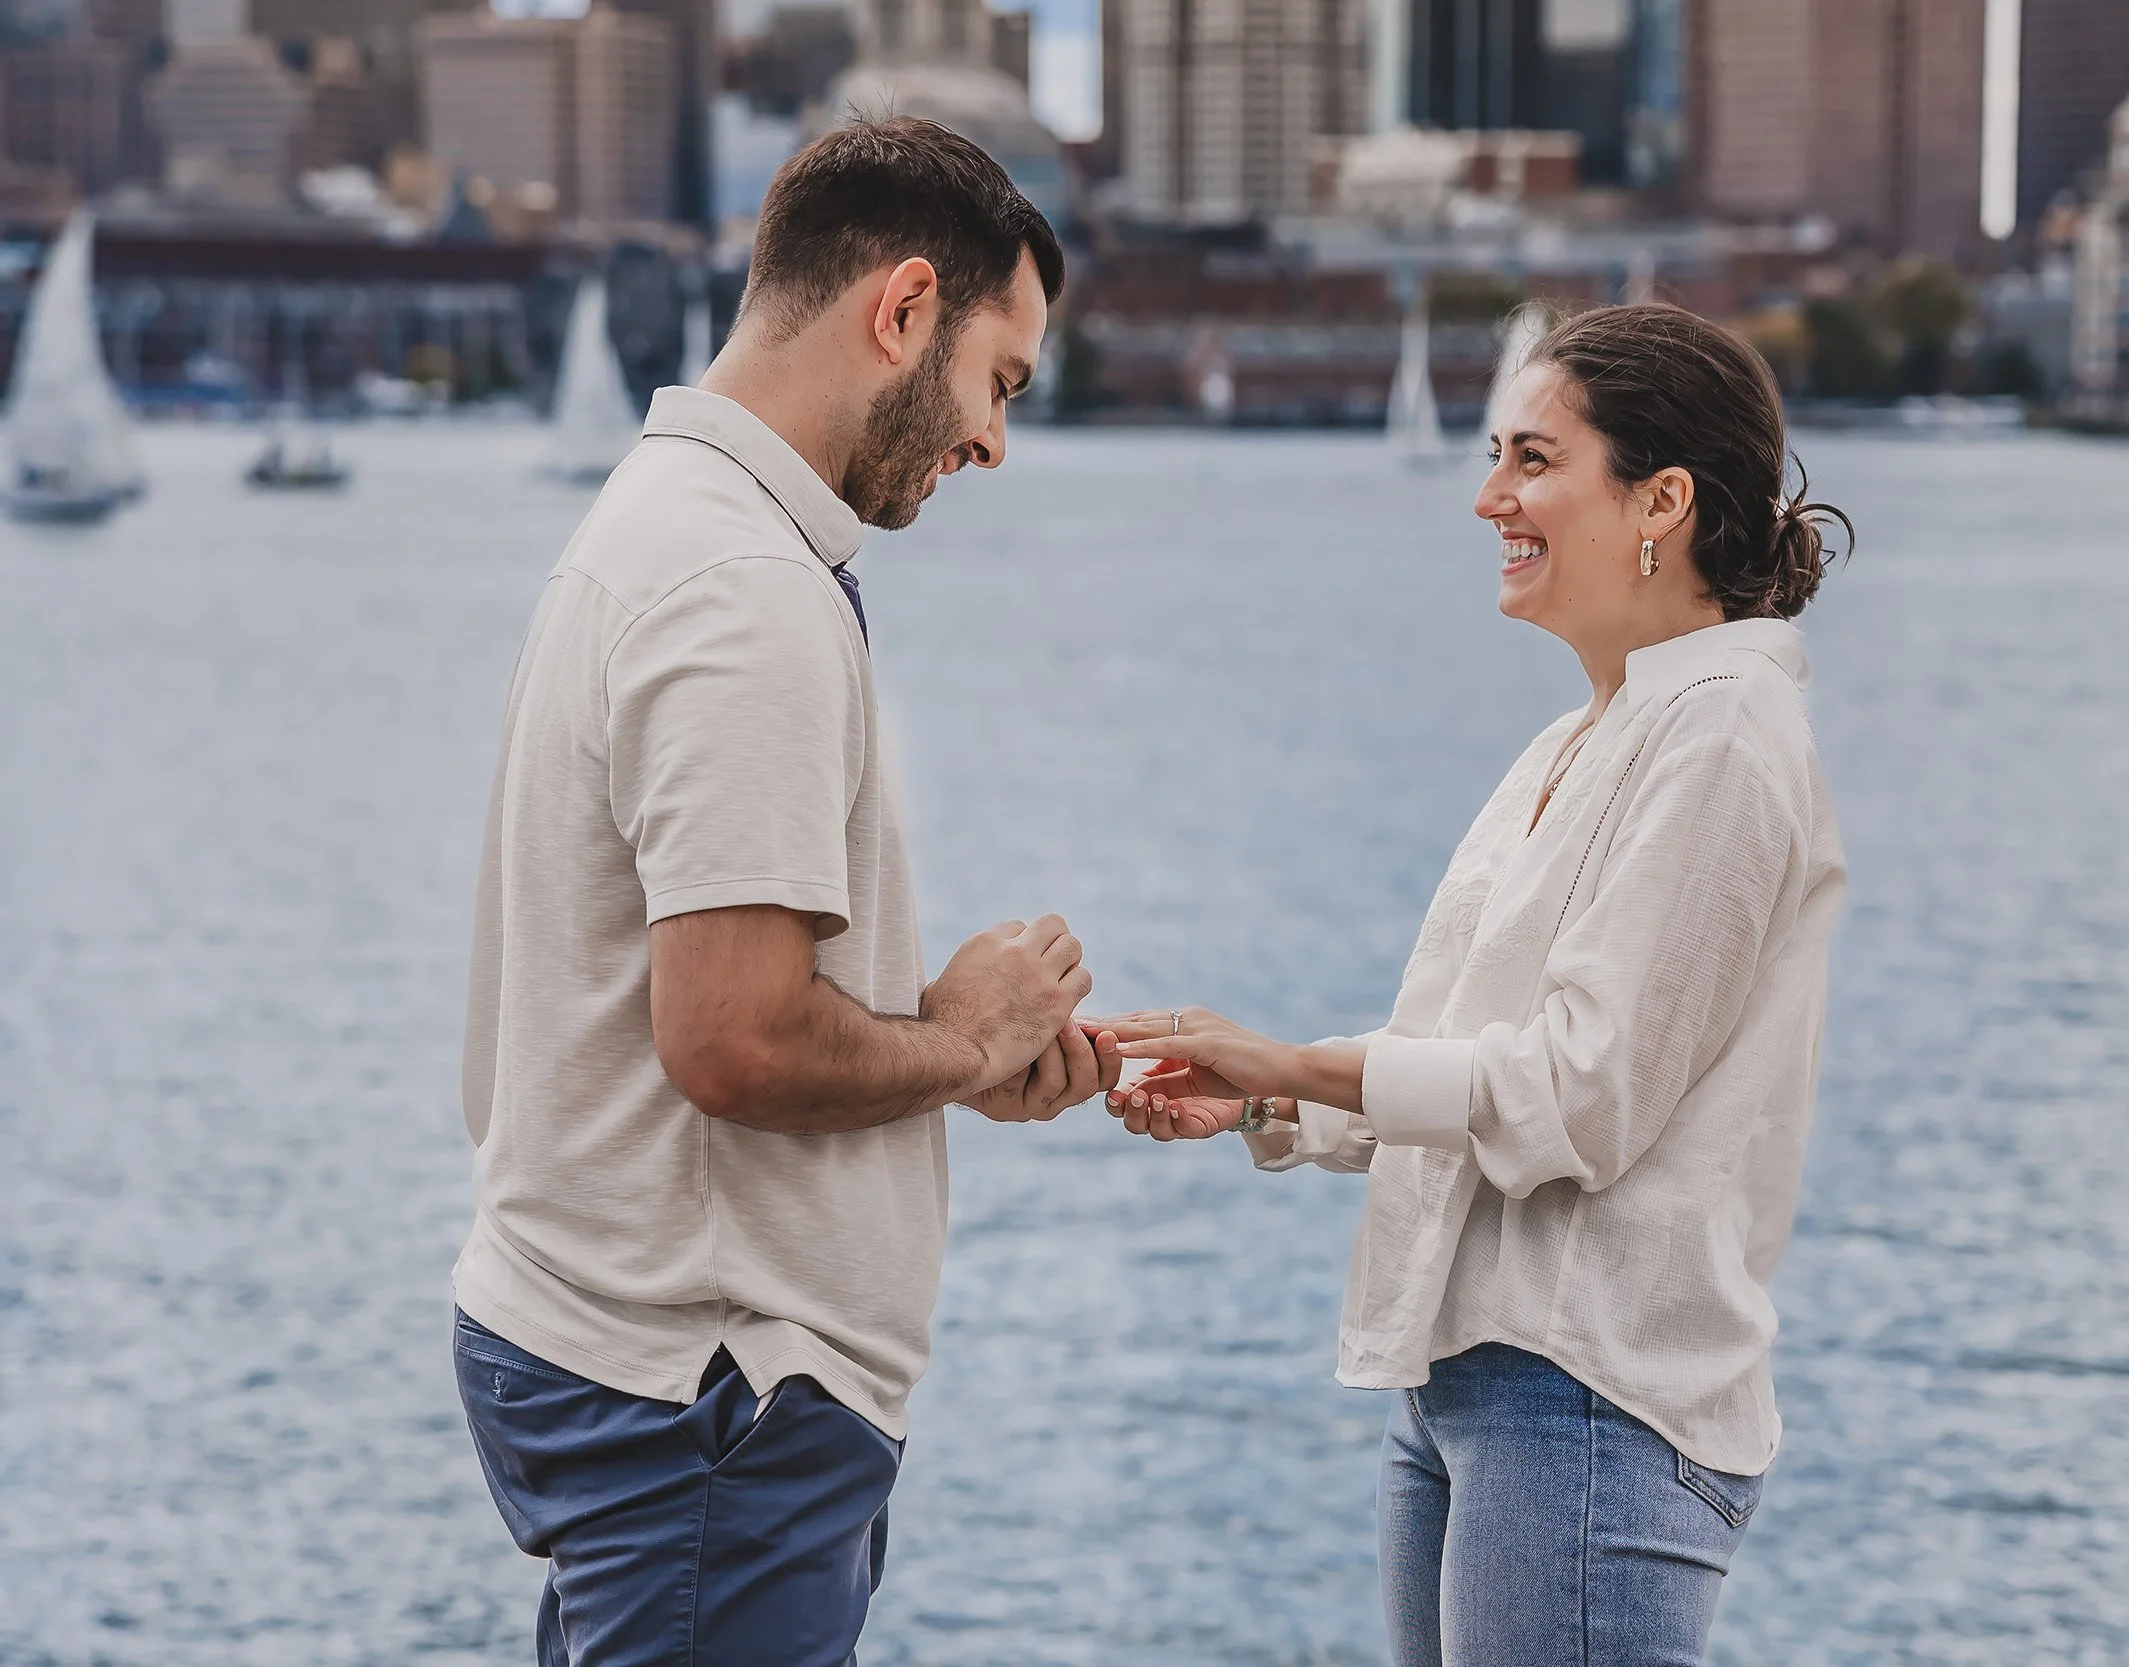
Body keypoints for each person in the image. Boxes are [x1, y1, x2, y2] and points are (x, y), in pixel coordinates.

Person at [450, 118, 1121, 1667]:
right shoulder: (742, 591)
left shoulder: (664, 521)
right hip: (710, 1402)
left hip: (644, 1373)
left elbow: (694, 996)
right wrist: (965, 1037)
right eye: (1000, 382)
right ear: (903, 309)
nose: (994, 442)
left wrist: (944, 1056)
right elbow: (735, 1039)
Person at [1102, 302, 1852, 1666]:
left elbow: (1581, 1094)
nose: (1488, 496)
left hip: (1592, 1402)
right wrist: (1270, 1105)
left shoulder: (1726, 734)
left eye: (1533, 459)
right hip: (1473, 1385)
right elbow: (1470, 1051)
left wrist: (1289, 1063)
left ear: (1662, 501)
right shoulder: (1587, 734)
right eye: (1494, 456)